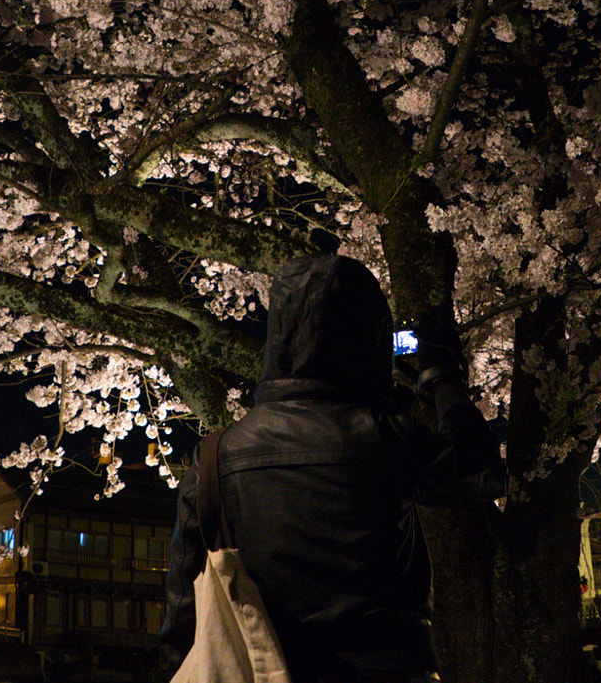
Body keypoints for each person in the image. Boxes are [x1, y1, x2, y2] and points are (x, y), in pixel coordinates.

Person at [162, 253, 504, 682]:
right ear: (369, 340)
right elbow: (480, 472)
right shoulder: (386, 437)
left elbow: (182, 609)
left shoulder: (214, 457)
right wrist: (441, 377)